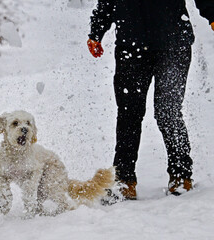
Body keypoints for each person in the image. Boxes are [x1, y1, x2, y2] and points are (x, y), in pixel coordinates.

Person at [87, 0, 214, 200]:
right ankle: (123, 180)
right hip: (131, 44)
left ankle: (181, 174)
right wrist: (96, 31)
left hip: (173, 44)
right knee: (129, 113)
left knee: (167, 111)